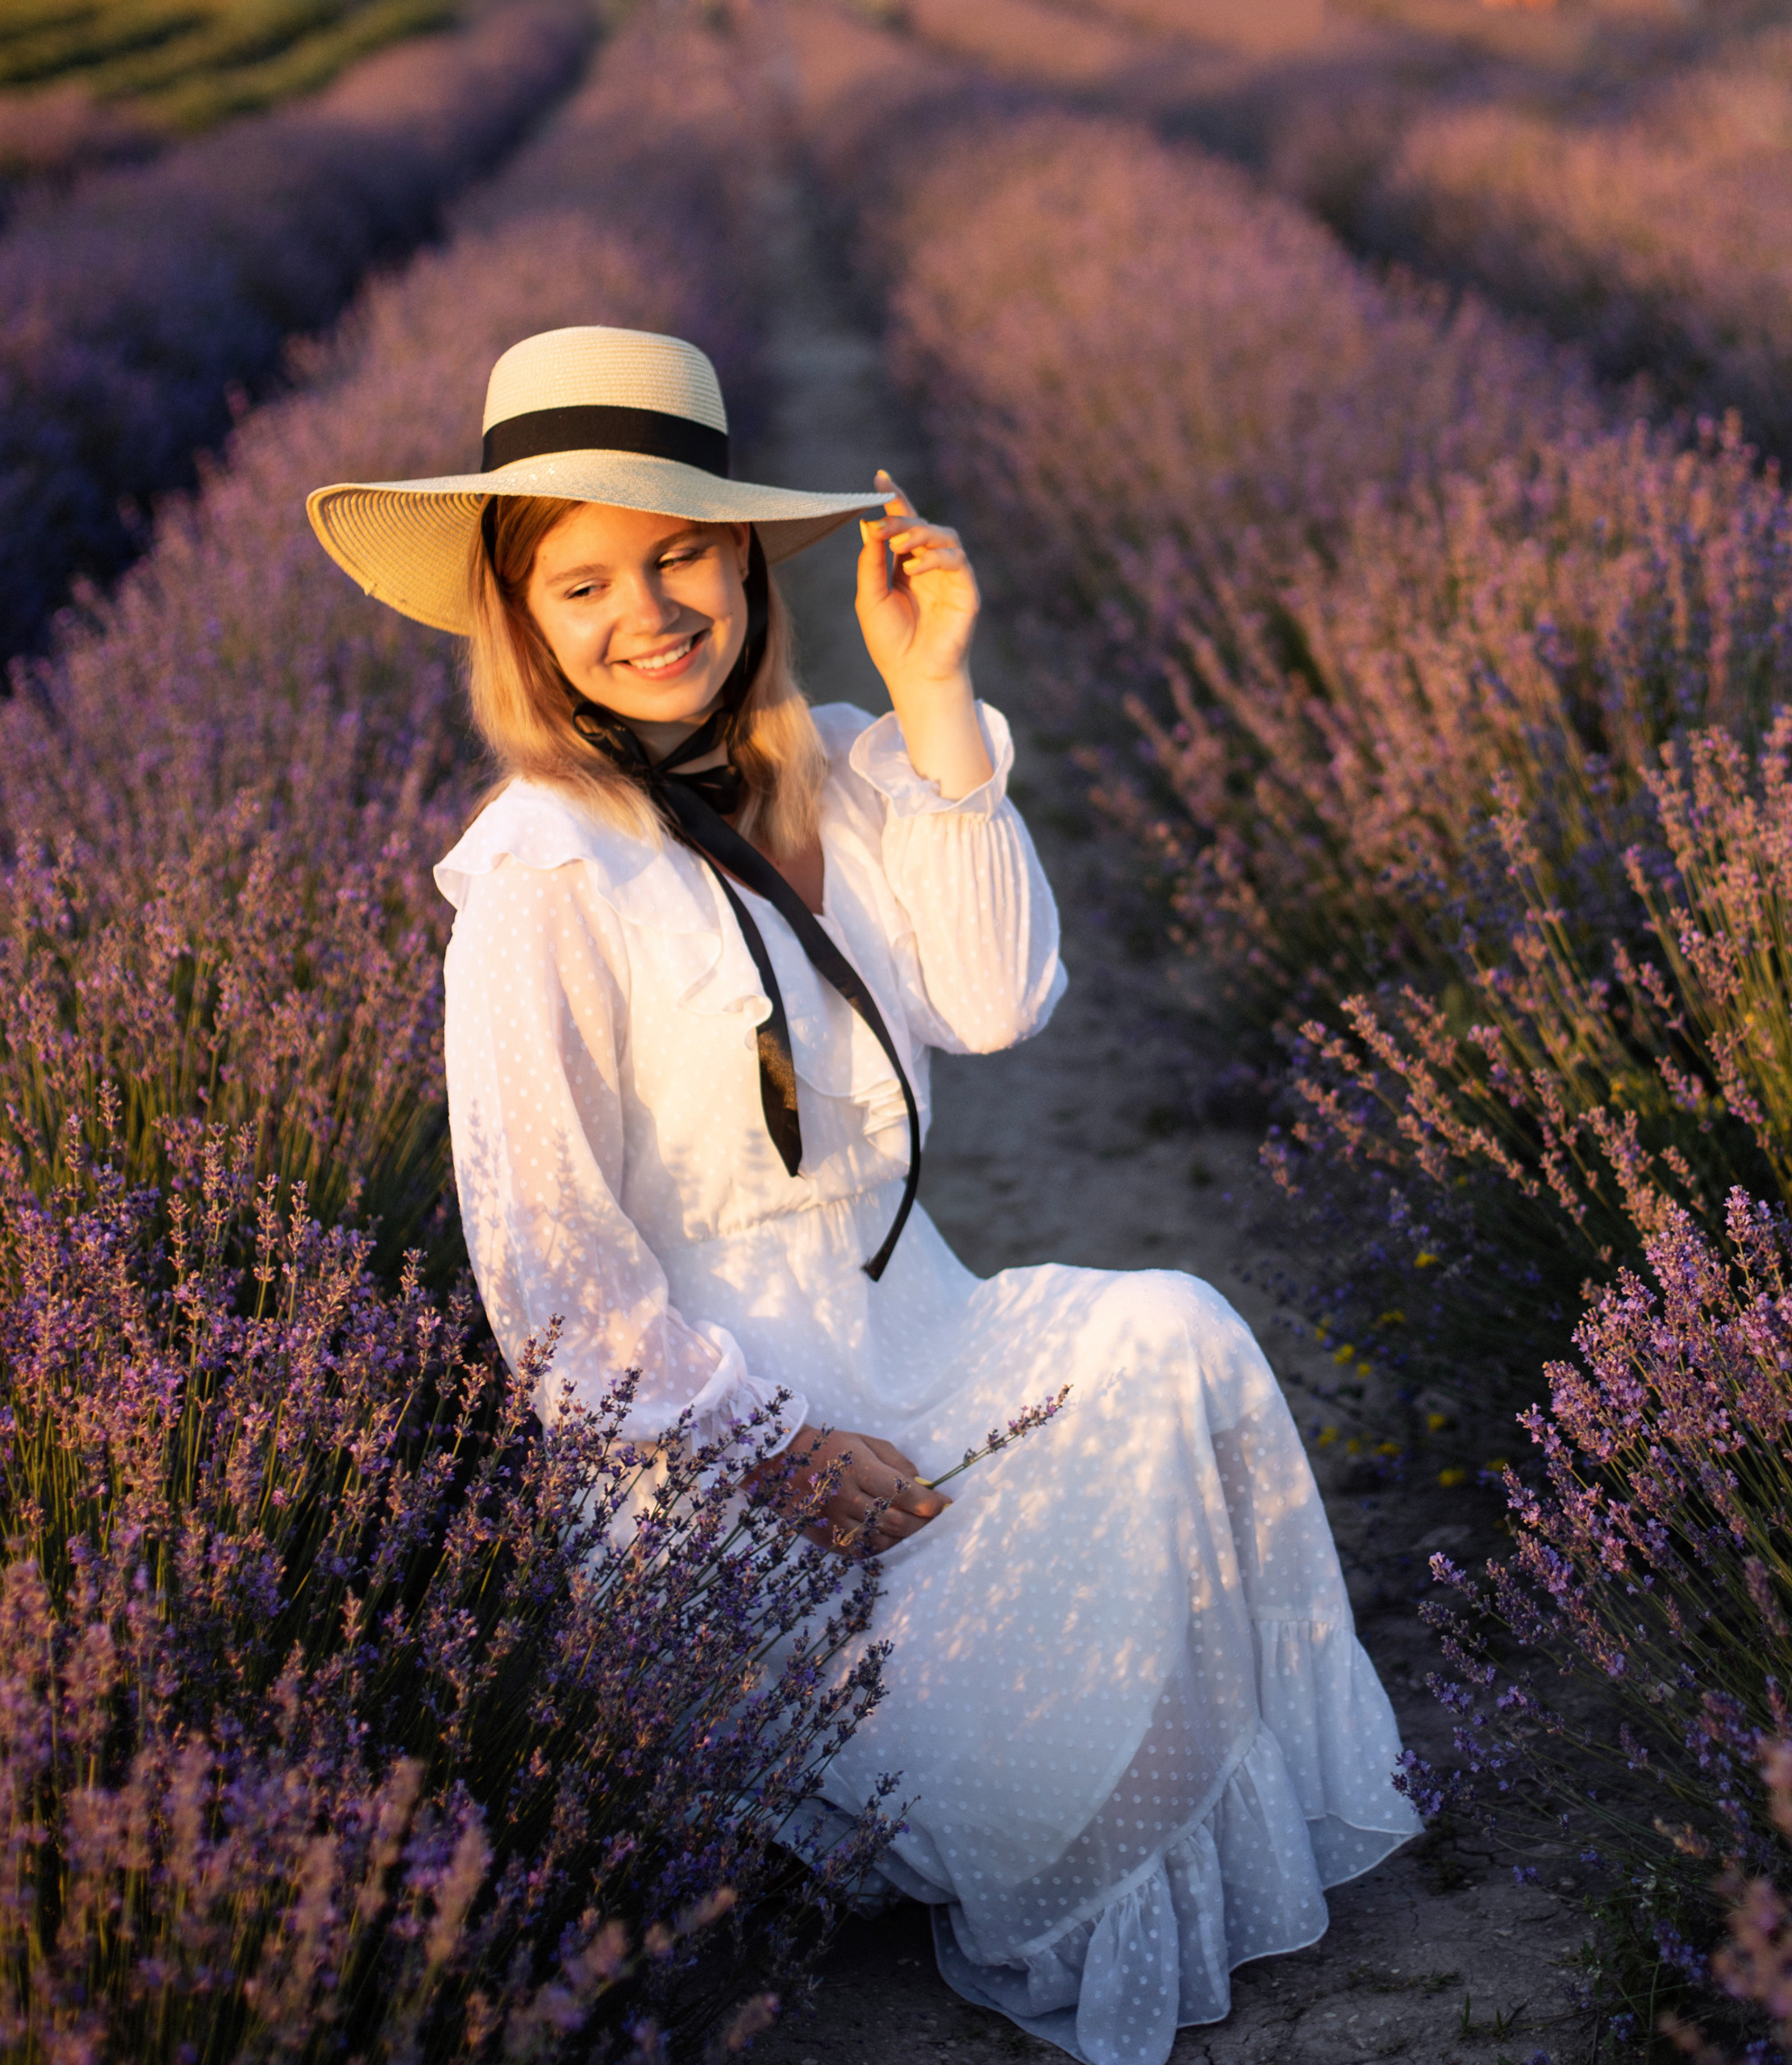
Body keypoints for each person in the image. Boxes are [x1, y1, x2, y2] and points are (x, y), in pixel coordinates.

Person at [307, 324, 1420, 2065]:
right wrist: (774, 1445)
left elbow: (993, 1002)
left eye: (679, 553)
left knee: (1171, 1334)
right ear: (524, 618)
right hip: (714, 1461)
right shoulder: (542, 872)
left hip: (924, 1344)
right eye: (583, 579)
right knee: (1038, 1754)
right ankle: (922, 1807)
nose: (645, 609)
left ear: (742, 558)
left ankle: (1065, 1810)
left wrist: (929, 695)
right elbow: (553, 1279)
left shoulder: (839, 760)